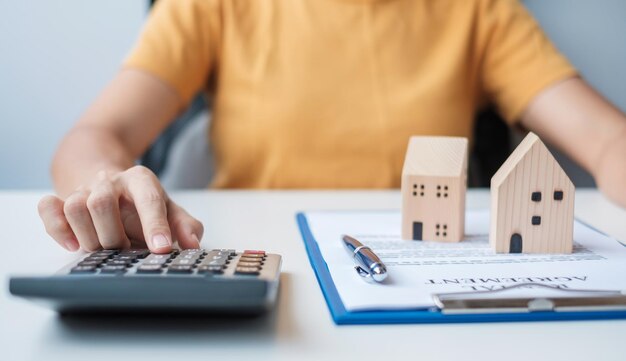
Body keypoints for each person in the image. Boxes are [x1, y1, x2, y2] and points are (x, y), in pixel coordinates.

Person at [38, 0, 626, 254]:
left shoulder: (477, 11)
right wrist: (106, 183)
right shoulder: (214, 6)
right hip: (256, 263)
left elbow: (606, 140)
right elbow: (94, 137)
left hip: (412, 281)